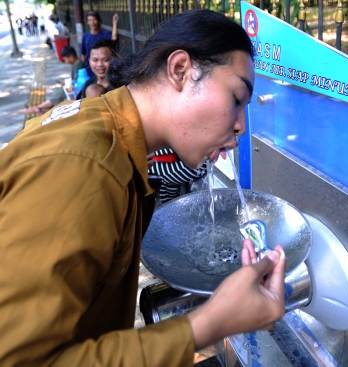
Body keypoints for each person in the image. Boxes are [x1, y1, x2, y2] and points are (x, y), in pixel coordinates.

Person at [0, 9, 286, 366]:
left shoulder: (101, 129)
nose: (241, 126)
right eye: (236, 99)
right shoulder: (88, 166)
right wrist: (210, 323)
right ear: (181, 69)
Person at [80, 11, 118, 78]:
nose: (92, 22)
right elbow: (83, 53)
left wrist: (114, 23)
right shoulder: (85, 36)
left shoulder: (105, 34)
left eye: (94, 19)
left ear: (98, 21)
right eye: (90, 20)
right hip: (90, 68)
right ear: (87, 22)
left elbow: (114, 39)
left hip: (103, 69)